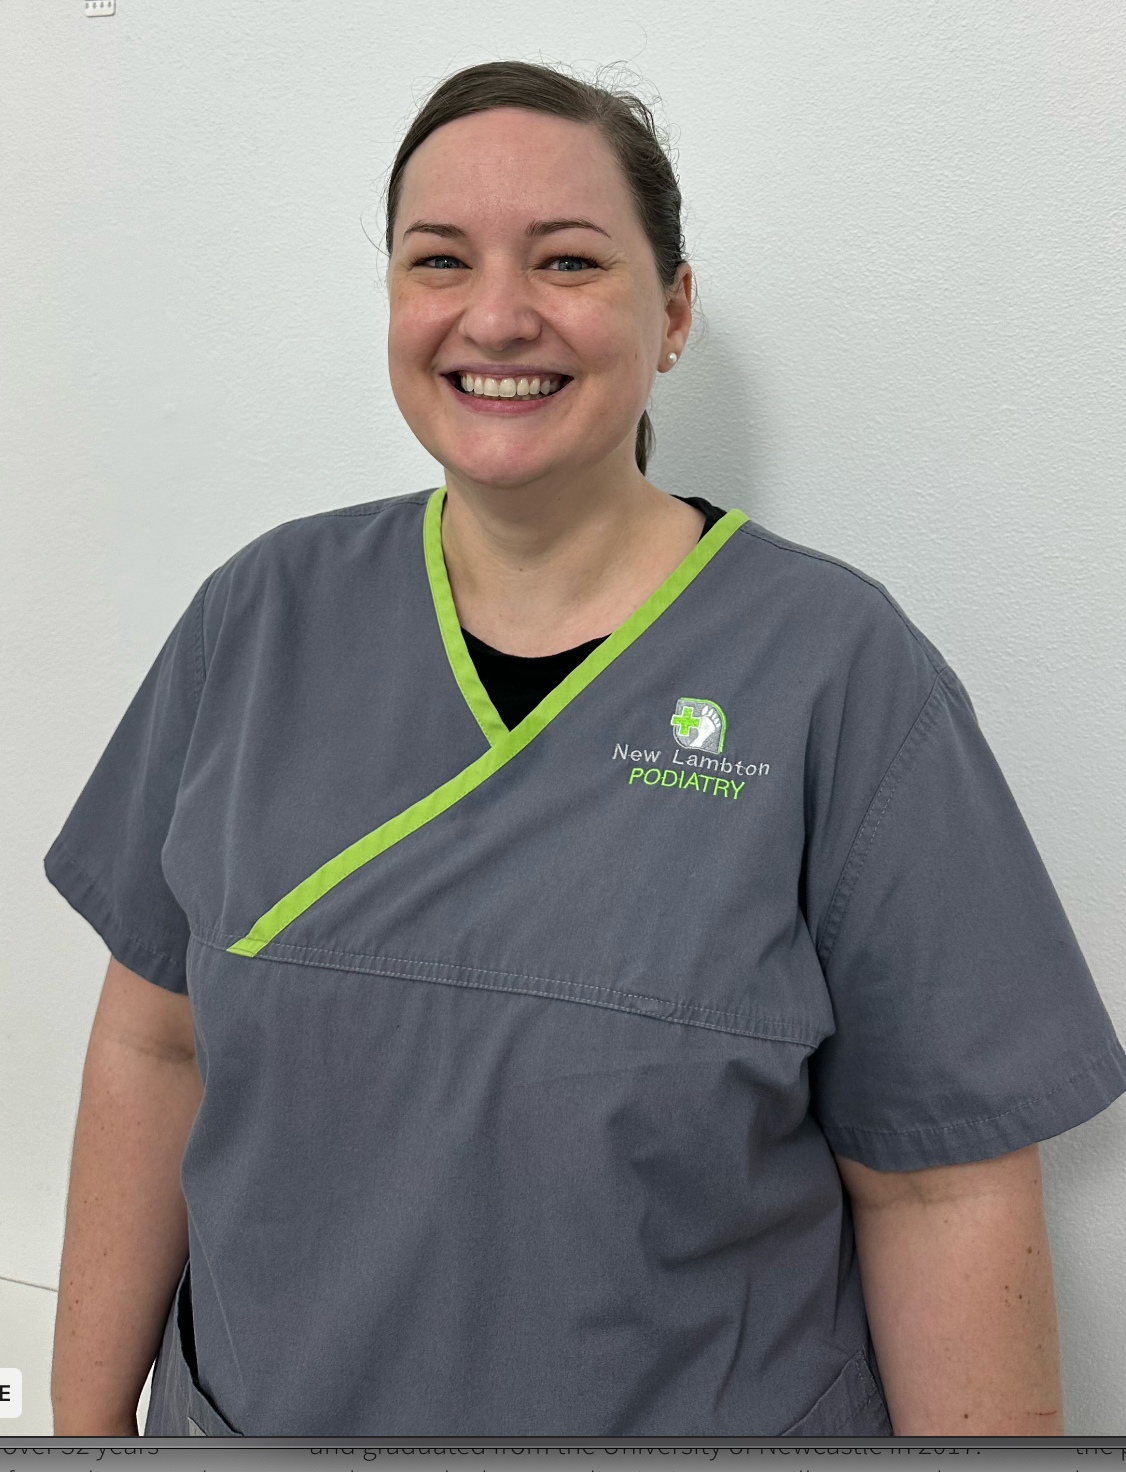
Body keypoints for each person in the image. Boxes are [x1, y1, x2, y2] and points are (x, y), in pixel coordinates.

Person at [46, 60, 1125, 1439]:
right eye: (438, 260)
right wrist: (82, 1445)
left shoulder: (834, 673)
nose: (495, 315)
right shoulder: (259, 620)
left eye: (566, 260)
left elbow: (940, 1187)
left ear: (669, 312)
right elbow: (155, 1047)